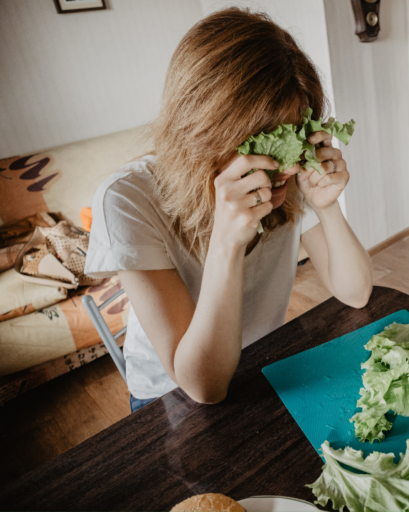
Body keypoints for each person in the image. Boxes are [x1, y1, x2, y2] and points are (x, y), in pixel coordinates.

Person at [84, 8, 373, 413]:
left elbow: (356, 293)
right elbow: (203, 385)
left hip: (262, 364)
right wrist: (227, 241)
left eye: (290, 134)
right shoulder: (126, 199)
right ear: (202, 127)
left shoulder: (285, 174)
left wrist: (328, 208)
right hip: (169, 394)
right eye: (258, 138)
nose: (285, 165)